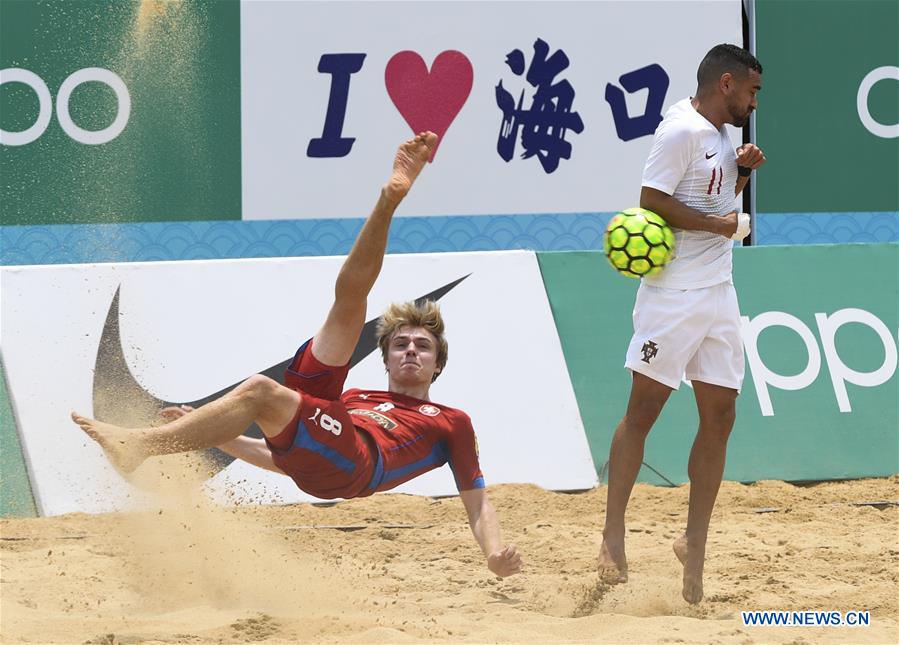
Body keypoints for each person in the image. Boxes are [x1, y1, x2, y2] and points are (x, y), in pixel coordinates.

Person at [72, 132, 522, 578]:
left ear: (438, 364)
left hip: (360, 463)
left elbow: (477, 501)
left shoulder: (450, 421)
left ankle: (141, 446)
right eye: (400, 343)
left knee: (262, 391)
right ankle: (389, 198)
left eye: (423, 346)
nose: (410, 351)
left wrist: (494, 554)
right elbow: (293, 460)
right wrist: (220, 435)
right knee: (348, 301)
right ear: (384, 359)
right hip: (335, 445)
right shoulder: (354, 399)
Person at [597, 44, 765, 603]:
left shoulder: (720, 135)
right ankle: (613, 535)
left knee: (721, 415)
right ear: (726, 83)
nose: (754, 101)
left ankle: (694, 543)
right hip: (671, 295)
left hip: (718, 291)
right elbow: (651, 200)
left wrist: (739, 173)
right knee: (641, 412)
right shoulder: (680, 132)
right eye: (752, 91)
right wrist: (719, 229)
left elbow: (715, 201)